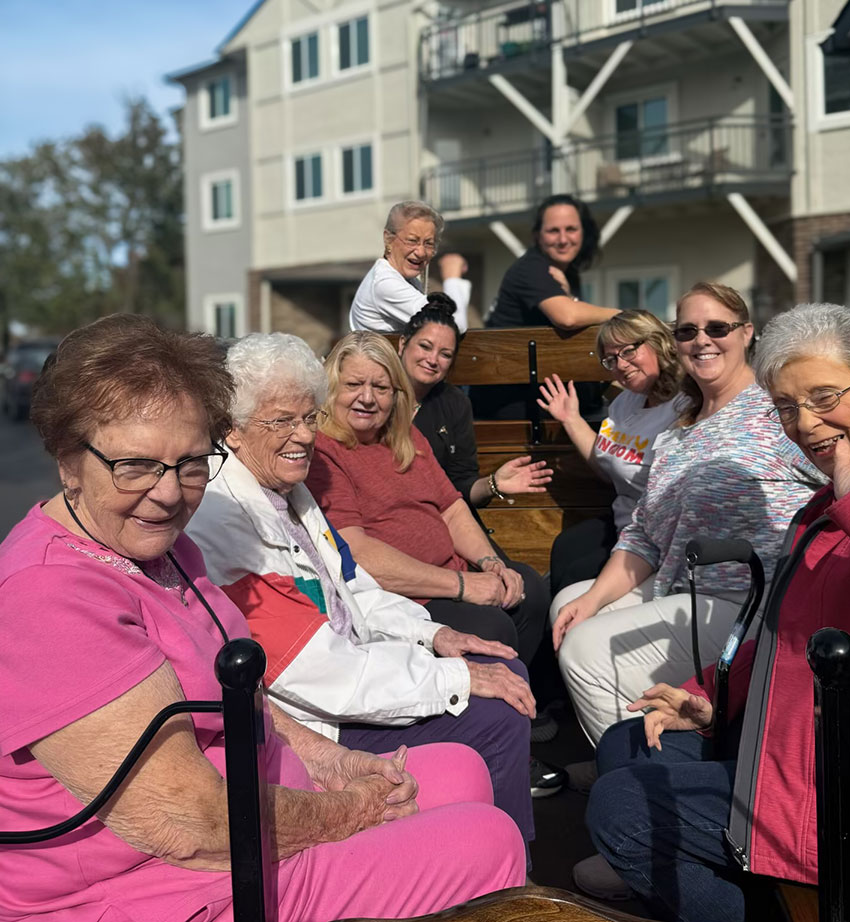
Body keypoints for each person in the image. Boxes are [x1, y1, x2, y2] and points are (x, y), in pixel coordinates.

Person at [0, 315, 525, 922]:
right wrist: (348, 812)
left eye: (192, 463)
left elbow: (242, 698)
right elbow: (189, 825)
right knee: (487, 842)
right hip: (161, 882)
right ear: (69, 459)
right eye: (136, 465)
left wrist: (334, 763)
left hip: (246, 806)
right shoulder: (50, 595)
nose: (170, 493)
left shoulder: (166, 549)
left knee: (459, 771)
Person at [585, 303, 850, 921]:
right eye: (787, 408)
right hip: (807, 740)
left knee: (623, 808)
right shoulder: (829, 494)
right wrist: (712, 696)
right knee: (630, 744)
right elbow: (785, 628)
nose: (805, 423)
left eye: (823, 396)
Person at [187, 331, 534, 845]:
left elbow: (353, 588)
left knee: (505, 665)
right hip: (318, 721)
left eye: (309, 418)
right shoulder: (223, 519)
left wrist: (434, 635)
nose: (304, 436)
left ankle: (474, 846)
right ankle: (507, 879)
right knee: (498, 712)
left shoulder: (291, 492)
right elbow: (315, 671)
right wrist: (450, 678)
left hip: (354, 675)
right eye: (282, 420)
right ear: (231, 430)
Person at [550, 283, 825, 746]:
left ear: (746, 333)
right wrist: (593, 599)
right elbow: (643, 535)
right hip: (685, 586)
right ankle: (645, 749)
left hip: (753, 599)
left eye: (717, 328)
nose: (702, 340)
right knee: (567, 605)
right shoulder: (678, 431)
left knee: (584, 650)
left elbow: (843, 478)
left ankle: (645, 773)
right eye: (687, 331)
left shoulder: (775, 411)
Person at [307, 331, 550, 670]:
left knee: (530, 590)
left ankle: (524, 703)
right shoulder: (323, 451)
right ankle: (488, 711)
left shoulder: (404, 434)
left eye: (381, 388)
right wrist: (464, 586)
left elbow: (451, 508)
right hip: (403, 597)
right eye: (353, 385)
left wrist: (490, 562)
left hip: (452, 574)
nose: (367, 398)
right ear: (332, 386)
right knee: (491, 627)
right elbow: (357, 552)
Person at [537, 310, 686, 599]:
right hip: (623, 523)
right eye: (611, 359)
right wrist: (571, 419)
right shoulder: (624, 404)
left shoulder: (687, 404)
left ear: (657, 343)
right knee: (566, 548)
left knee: (575, 574)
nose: (621, 365)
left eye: (629, 351)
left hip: (657, 538)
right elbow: (610, 471)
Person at [399, 294, 553, 510]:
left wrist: (493, 484)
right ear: (403, 344)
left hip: (442, 514)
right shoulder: (376, 394)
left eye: (445, 354)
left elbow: (462, 484)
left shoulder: (455, 403)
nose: (432, 360)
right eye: (425, 346)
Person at [487, 194, 619, 330]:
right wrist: (622, 315)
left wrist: (571, 299)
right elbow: (568, 318)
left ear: (584, 232)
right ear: (538, 236)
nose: (563, 240)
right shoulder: (531, 268)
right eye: (553, 231)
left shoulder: (569, 272)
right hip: (505, 350)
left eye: (571, 229)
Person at [350, 200, 471, 334]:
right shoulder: (385, 283)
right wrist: (452, 278)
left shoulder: (404, 279)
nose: (421, 252)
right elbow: (452, 327)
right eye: (412, 241)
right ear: (388, 239)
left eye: (429, 244)